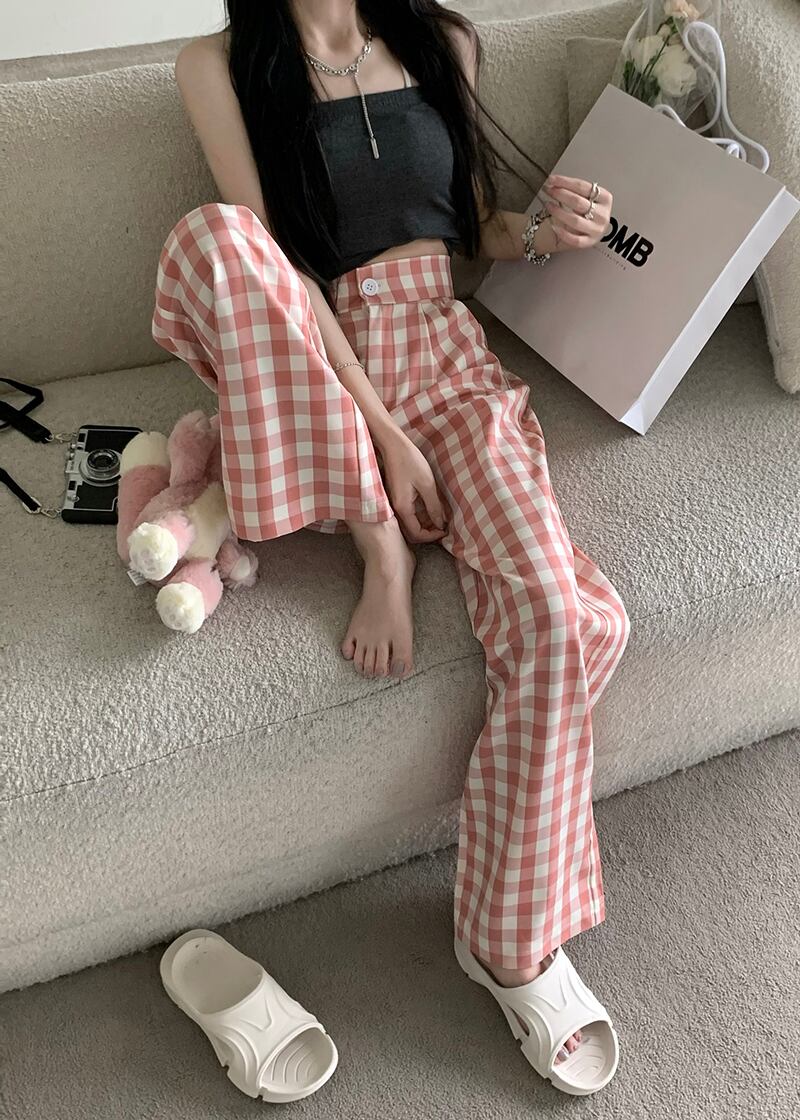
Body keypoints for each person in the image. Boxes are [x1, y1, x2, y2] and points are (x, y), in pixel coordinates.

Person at [151, 0, 631, 1096]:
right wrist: (381, 441)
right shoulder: (218, 66)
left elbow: (471, 231)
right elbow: (273, 265)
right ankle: (381, 547)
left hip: (448, 351)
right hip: (311, 365)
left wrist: (543, 230)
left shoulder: (440, 41)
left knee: (566, 618)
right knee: (219, 237)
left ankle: (507, 937)